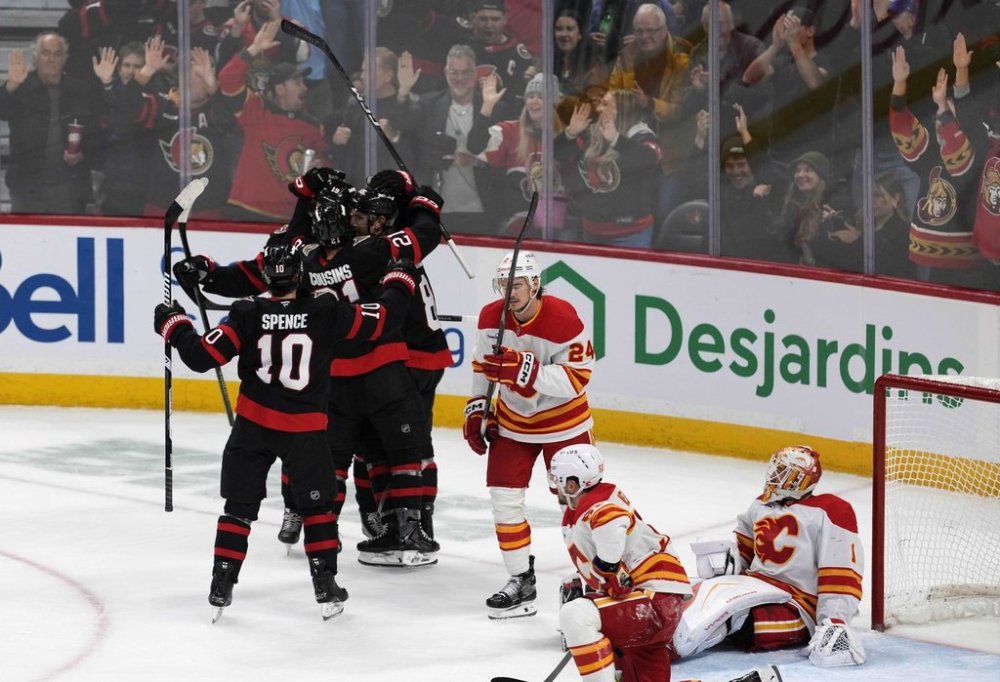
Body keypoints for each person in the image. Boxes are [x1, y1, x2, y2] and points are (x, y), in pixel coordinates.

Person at [174, 168, 446, 567]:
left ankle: (310, 518)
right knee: (399, 449)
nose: (358, 217)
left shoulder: (302, 258)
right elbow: (421, 238)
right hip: (386, 363)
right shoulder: (370, 250)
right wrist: (423, 202)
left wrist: (208, 274)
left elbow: (255, 273)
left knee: (333, 454)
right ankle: (409, 524)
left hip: (334, 374)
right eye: (352, 213)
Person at [154, 242, 419, 621]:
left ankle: (221, 584)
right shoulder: (325, 311)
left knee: (238, 510)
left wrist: (173, 324)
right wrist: (400, 279)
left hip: (253, 428)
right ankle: (325, 584)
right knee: (318, 510)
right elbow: (382, 321)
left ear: (266, 277)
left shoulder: (247, 312)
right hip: (305, 432)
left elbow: (200, 356)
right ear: (301, 276)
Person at [463, 250, 596, 619]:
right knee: (504, 502)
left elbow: (577, 378)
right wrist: (478, 407)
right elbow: (482, 367)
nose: (510, 292)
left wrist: (526, 370)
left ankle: (590, 580)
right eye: (504, 285)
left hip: (565, 424)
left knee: (578, 507)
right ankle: (520, 579)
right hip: (513, 423)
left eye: (517, 285)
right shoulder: (492, 317)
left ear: (535, 285)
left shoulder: (563, 317)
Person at [672, 445, 866, 669]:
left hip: (797, 604)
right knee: (686, 594)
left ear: (798, 479)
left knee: (738, 619)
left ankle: (669, 646)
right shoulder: (761, 505)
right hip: (755, 588)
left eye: (781, 472)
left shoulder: (831, 510)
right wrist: (724, 561)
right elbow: (743, 551)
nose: (773, 476)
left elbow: (840, 576)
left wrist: (834, 620)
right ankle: (656, 631)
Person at [551, 443, 692, 682]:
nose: (556, 489)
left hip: (653, 599)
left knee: (575, 615)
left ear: (573, 485)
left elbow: (614, 522)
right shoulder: (597, 500)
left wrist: (607, 567)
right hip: (656, 602)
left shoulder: (596, 505)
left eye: (559, 482)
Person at [218, 19, 330, 221]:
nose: (304, 88)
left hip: (289, 217)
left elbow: (324, 163)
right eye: (297, 82)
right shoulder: (257, 110)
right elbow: (227, 79)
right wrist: (253, 49)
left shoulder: (312, 126)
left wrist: (319, 168)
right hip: (247, 211)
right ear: (280, 88)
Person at [405, 43, 507, 234]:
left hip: (482, 211)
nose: (459, 78)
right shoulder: (429, 105)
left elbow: (504, 161)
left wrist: (476, 162)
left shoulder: (494, 109)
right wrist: (403, 92)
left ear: (475, 73)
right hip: (437, 210)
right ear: (445, 72)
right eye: (454, 72)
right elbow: (408, 143)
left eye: (465, 72)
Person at [607, 3, 693, 226]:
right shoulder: (626, 56)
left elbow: (680, 110)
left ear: (664, 30)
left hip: (671, 155)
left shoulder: (682, 58)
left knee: (665, 214)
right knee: (635, 215)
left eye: (650, 31)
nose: (644, 37)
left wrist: (647, 103)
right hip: (633, 152)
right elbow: (612, 95)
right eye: (639, 31)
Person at [0, 31, 103, 214]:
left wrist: (82, 154)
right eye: (45, 53)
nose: (51, 59)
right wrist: (10, 87)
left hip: (68, 189)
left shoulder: (80, 91)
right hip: (27, 188)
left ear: (65, 58)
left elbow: (95, 134)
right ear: (35, 57)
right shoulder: (20, 86)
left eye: (57, 54)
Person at [556, 88, 662, 247]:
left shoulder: (643, 137)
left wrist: (616, 140)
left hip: (630, 234)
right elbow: (557, 155)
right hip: (591, 231)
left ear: (622, 109)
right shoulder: (592, 134)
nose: (599, 109)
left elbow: (650, 159)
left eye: (605, 104)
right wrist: (570, 134)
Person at [467, 71, 568, 235]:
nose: (534, 101)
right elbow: (475, 146)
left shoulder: (567, 137)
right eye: (530, 96)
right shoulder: (511, 131)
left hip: (558, 228)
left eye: (541, 96)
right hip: (518, 227)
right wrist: (487, 107)